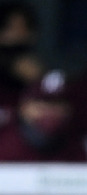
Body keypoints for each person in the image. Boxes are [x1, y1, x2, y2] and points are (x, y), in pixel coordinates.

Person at [0, 68, 87, 162]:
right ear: (23, 108)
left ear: (68, 110)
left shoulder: (74, 144)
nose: (49, 112)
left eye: (56, 104)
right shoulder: (5, 141)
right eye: (41, 105)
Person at [0, 1, 44, 131]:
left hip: (20, 132)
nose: (13, 34)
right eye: (6, 27)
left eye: (22, 27)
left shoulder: (30, 64)